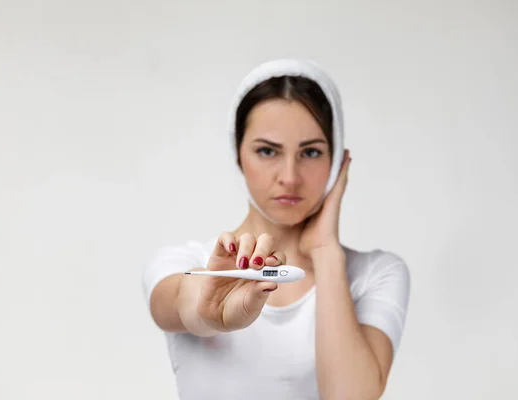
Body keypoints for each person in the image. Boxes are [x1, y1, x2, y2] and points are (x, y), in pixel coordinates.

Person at [142, 59, 411, 399]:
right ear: (237, 154)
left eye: (310, 152)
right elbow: (182, 302)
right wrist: (210, 310)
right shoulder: (181, 261)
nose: (289, 177)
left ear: (336, 162)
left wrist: (326, 252)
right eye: (267, 151)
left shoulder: (377, 274)